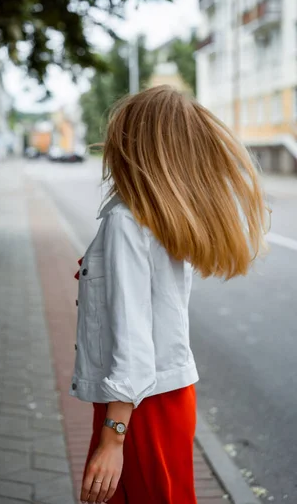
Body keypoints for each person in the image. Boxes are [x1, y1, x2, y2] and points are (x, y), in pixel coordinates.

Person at [69, 85, 268, 504]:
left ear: (133, 146)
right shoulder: (156, 217)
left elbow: (135, 340)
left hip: (137, 406)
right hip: (161, 396)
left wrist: (113, 438)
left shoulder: (127, 221)